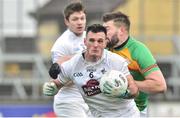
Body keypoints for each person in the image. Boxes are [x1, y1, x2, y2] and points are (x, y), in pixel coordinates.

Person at [43, 24, 140, 117]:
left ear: (106, 42)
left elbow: (134, 90)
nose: (95, 45)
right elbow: (57, 83)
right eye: (92, 40)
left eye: (100, 41)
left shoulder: (117, 61)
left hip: (127, 115)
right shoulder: (73, 65)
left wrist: (123, 94)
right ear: (85, 42)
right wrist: (51, 87)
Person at [102, 11, 167, 117]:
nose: (103, 33)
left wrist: (125, 84)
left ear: (121, 30)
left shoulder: (138, 50)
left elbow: (160, 85)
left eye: (107, 29)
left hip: (135, 112)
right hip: (107, 110)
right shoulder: (103, 48)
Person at [48, 2, 90, 117]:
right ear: (67, 21)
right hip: (69, 101)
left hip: (88, 98)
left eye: (82, 18)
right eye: (75, 19)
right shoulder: (61, 45)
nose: (80, 22)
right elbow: (59, 78)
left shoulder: (90, 37)